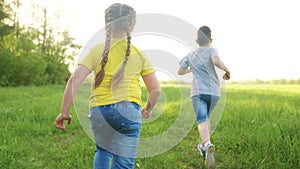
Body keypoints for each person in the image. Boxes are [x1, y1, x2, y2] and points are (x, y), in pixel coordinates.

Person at [54, 3, 161, 169]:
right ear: (132, 25)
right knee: (123, 162)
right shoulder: (139, 53)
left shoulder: (96, 50)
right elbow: (155, 90)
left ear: (107, 24)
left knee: (102, 151)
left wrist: (64, 112)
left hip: (99, 111)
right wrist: (148, 108)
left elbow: (74, 79)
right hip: (128, 111)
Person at [178, 26, 230, 168]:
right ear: (210, 40)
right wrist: (227, 70)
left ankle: (207, 144)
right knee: (206, 120)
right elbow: (216, 61)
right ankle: (203, 146)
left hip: (198, 93)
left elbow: (180, 71)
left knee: (202, 121)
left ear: (197, 40)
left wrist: (192, 69)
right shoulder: (212, 50)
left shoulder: (191, 54)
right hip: (214, 94)